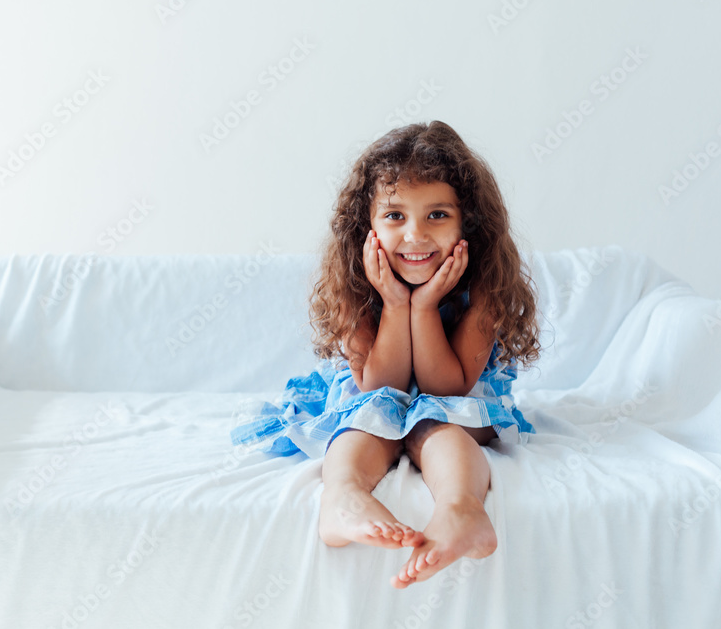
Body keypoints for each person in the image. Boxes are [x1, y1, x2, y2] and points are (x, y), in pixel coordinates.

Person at [230, 120, 542, 589]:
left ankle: (461, 510)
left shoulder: (485, 288)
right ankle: (344, 497)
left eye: (437, 215)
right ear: (367, 225)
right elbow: (380, 387)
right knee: (361, 422)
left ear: (468, 223)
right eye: (395, 216)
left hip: (455, 394)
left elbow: (446, 388)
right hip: (375, 388)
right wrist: (396, 304)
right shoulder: (355, 284)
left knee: (440, 424)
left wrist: (425, 307)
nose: (415, 236)